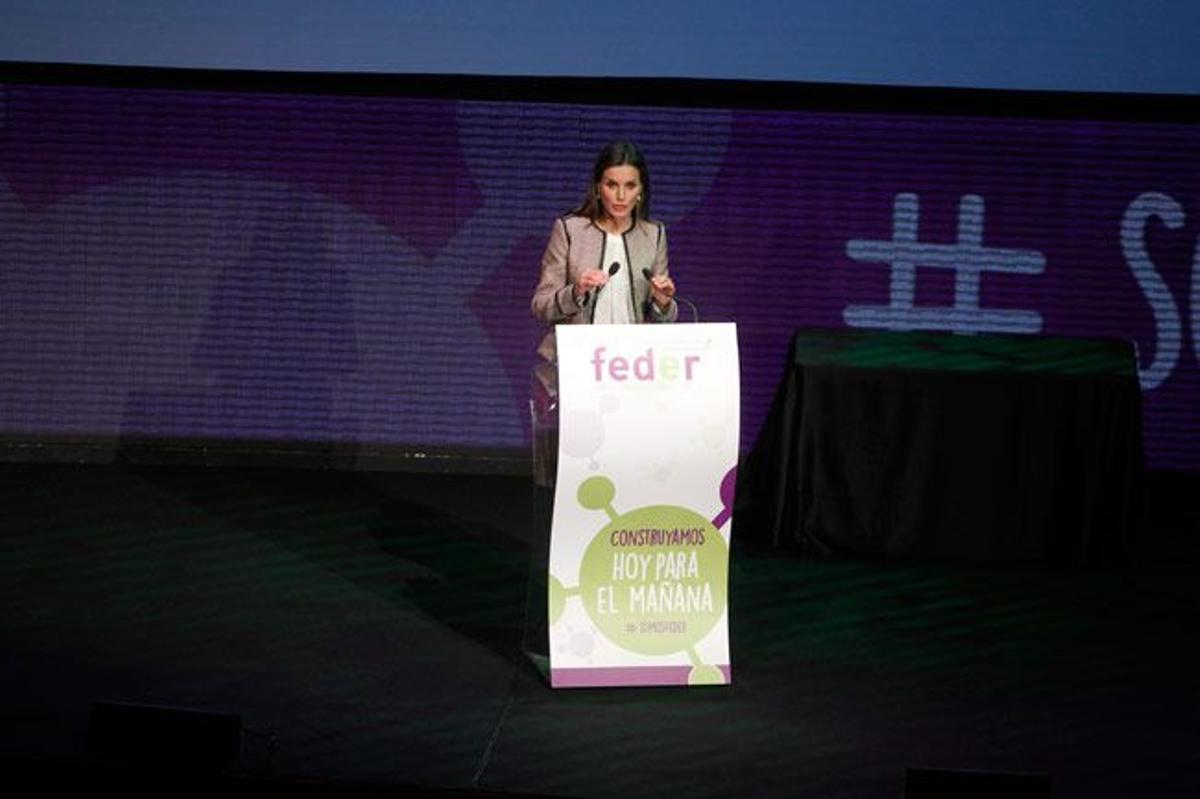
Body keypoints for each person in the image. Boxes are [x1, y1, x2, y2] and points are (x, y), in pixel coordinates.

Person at [531, 140, 678, 362]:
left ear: (641, 191)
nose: (621, 196)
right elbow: (541, 306)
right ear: (598, 188)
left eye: (630, 186)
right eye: (612, 185)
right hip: (576, 362)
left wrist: (663, 302)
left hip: (632, 364)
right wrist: (576, 292)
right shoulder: (570, 230)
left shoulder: (653, 234)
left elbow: (661, 319)